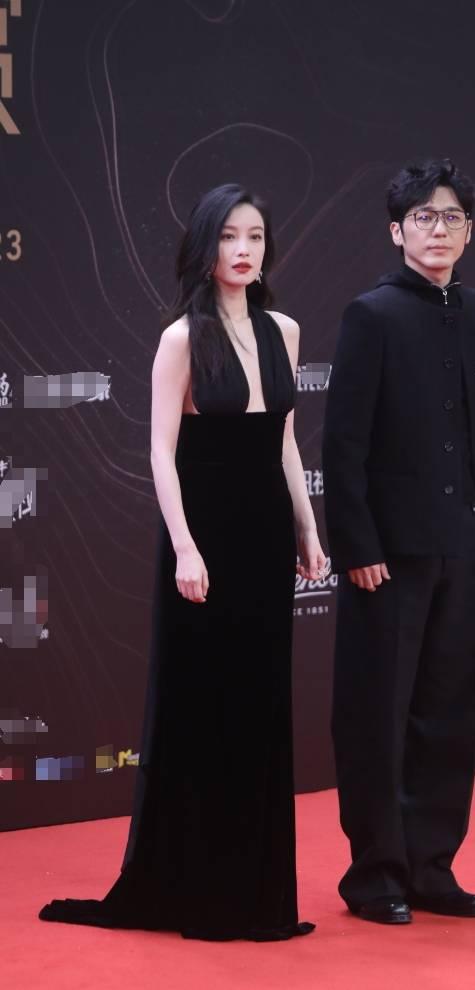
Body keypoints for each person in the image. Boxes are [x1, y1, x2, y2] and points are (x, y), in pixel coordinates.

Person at [40, 183, 325, 941]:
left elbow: (285, 441)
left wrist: (307, 528)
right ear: (204, 246)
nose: (243, 249)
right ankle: (196, 892)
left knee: (258, 705)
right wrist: (187, 547)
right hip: (205, 536)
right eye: (229, 235)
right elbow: (160, 454)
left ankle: (255, 897)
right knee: (203, 704)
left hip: (265, 536)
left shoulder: (285, 331)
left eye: (255, 236)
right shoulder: (181, 339)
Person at [322, 159, 475, 925]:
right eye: (423, 218)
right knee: (377, 715)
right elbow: (342, 445)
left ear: (470, 230)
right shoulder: (370, 315)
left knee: (451, 711)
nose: (438, 230)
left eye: (451, 217)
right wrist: (357, 545)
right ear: (396, 231)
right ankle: (375, 874)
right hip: (387, 556)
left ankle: (432, 867)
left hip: (466, 547)